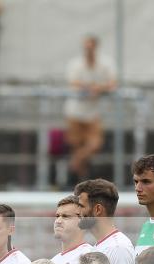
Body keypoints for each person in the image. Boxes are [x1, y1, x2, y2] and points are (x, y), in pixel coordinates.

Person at [64, 36, 116, 181]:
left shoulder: (105, 63)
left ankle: (75, 163)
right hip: (75, 112)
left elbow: (112, 83)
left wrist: (97, 88)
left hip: (93, 113)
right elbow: (73, 83)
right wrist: (92, 88)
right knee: (76, 145)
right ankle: (81, 181)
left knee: (94, 145)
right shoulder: (76, 64)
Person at [75, 178, 136, 264]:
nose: (77, 212)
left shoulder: (117, 248)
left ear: (98, 209)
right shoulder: (102, 246)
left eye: (81, 206)